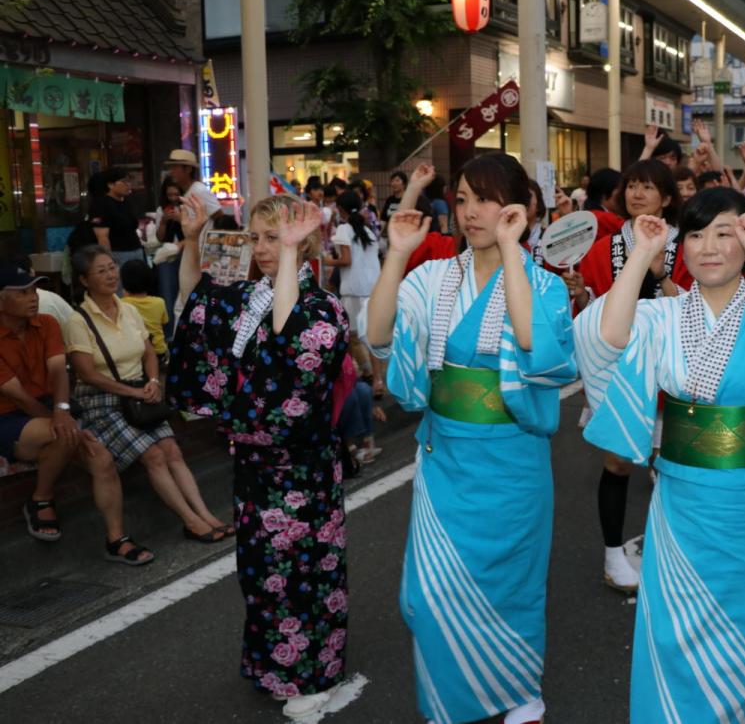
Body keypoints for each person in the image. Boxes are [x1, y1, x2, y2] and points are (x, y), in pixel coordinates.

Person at [574, 189, 745, 721]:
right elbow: (607, 336)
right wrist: (643, 254)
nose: (708, 247)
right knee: (672, 643)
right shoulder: (665, 314)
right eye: (695, 234)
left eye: (724, 233)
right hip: (680, 506)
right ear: (680, 246)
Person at [366, 153, 576, 724]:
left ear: (518, 208)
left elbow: (535, 348)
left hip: (513, 461)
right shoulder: (435, 276)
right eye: (462, 199)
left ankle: (521, 690)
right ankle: (451, 700)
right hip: (446, 459)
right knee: (426, 596)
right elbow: (379, 335)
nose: (471, 212)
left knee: (512, 586)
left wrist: (511, 250)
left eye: (485, 199)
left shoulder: (543, 284)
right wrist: (397, 255)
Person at [170, 193, 350, 720]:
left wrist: (290, 254)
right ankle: (273, 666)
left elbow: (289, 340)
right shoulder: (251, 297)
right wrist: (192, 239)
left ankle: (314, 675)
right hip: (254, 464)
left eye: (275, 237)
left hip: (302, 469)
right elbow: (196, 303)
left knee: (303, 574)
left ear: (304, 242)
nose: (264, 247)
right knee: (260, 573)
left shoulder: (322, 309)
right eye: (258, 237)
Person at [565, 158, 689, 593]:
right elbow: (593, 313)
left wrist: (661, 275)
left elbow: (695, 309)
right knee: (617, 462)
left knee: (670, 465)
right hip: (619, 370)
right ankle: (613, 554)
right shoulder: (604, 247)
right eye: (632, 185)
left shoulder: (687, 245)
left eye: (648, 187)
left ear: (667, 198)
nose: (637, 193)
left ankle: (670, 548)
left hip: (671, 368)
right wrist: (582, 296)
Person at [66, 245, 228, 543]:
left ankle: (207, 515)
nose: (111, 275)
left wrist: (153, 381)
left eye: (112, 267)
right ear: (84, 280)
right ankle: (191, 521)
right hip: (102, 401)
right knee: (153, 455)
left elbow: (149, 352)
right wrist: (135, 391)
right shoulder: (78, 320)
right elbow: (87, 374)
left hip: (139, 394)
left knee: (172, 450)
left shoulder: (129, 309)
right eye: (101, 271)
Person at [0, 259, 151, 563]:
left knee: (102, 459)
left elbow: (59, 371)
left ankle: (116, 539)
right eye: (23, 292)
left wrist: (62, 409)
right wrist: (65, 423)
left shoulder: (47, 323)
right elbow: (17, 396)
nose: (33, 297)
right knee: (64, 435)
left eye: (34, 290)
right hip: (10, 416)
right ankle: (41, 498)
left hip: (52, 408)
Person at [326, 191, 384, 395]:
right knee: (372, 338)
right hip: (373, 288)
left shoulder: (343, 229)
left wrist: (325, 260)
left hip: (354, 290)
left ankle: (364, 373)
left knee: (350, 336)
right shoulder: (367, 230)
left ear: (340, 209)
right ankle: (377, 380)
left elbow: (346, 260)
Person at [88, 168, 144, 273]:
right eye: (124, 181)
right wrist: (110, 261)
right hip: (118, 254)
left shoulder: (127, 201)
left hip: (137, 250)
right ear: (110, 185)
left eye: (129, 181)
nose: (128, 184)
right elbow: (102, 237)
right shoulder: (101, 204)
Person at [119, 259, 170, 367]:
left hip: (137, 355)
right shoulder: (159, 302)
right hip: (158, 351)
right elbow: (164, 323)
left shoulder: (121, 304)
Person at [153, 177, 185, 332]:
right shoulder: (161, 210)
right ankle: (169, 332)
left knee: (184, 293)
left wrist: (181, 219)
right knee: (167, 295)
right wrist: (164, 221)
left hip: (185, 254)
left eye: (176, 194)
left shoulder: (188, 208)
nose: (173, 198)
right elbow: (160, 237)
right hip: (167, 256)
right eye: (169, 195)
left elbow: (194, 235)